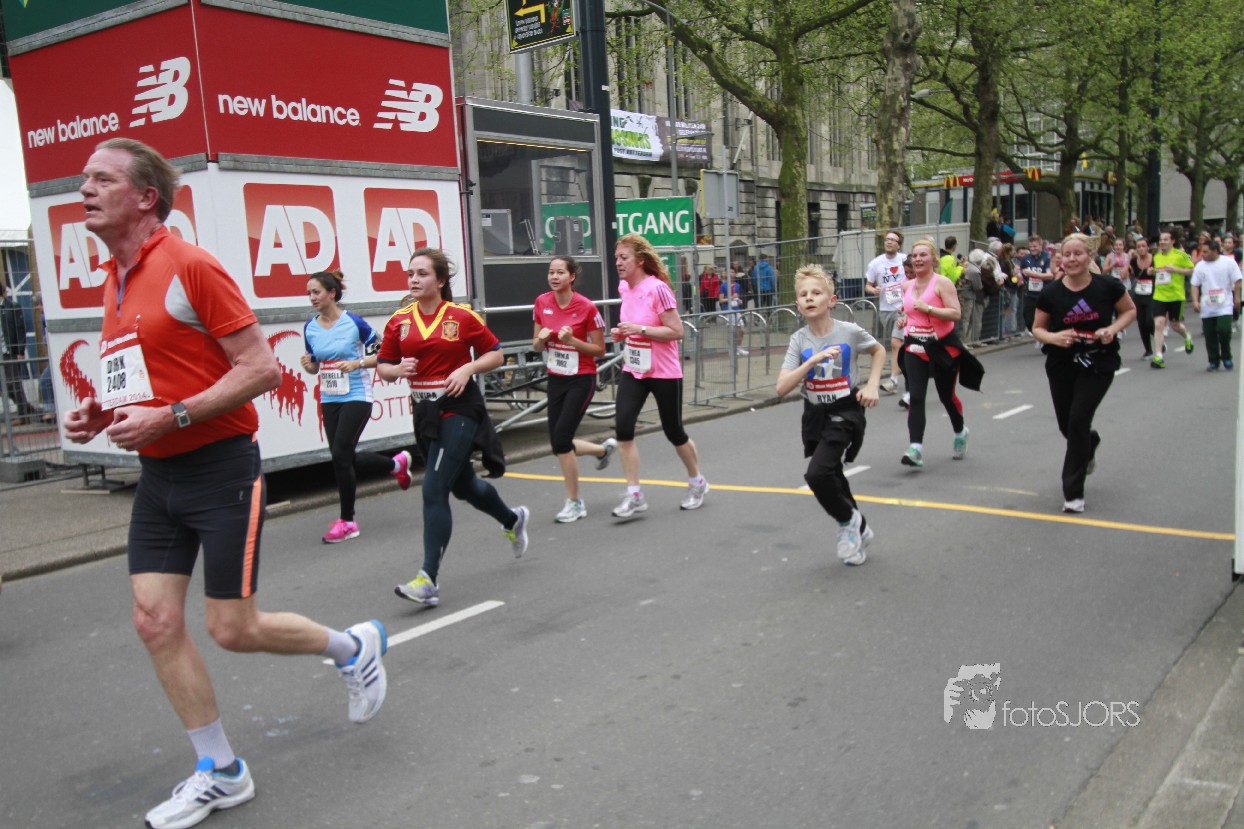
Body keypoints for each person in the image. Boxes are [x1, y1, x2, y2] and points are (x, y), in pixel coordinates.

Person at [63, 138, 387, 829]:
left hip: (220, 468)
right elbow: (145, 375)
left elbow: (261, 369)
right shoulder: (113, 278)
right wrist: (102, 411)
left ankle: (352, 647)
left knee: (232, 629)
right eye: (84, 178)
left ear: (145, 197)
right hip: (159, 476)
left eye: (101, 179)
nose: (83, 188)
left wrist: (172, 416)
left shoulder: (190, 264)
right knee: (153, 620)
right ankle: (221, 769)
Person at [379, 248, 530, 607]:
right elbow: (384, 365)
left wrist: (467, 369)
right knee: (463, 486)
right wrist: (396, 370)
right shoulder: (399, 320)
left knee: (434, 488)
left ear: (440, 280)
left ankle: (427, 579)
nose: (414, 279)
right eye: (410, 273)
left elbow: (496, 353)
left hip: (459, 407)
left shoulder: (461, 316)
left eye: (422, 274)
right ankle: (512, 519)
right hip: (425, 411)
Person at [775, 264, 884, 565]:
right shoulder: (799, 340)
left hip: (845, 410)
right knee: (832, 472)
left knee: (817, 473)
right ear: (797, 305)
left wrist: (873, 384)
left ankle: (847, 522)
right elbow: (781, 387)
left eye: (816, 293)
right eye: (803, 295)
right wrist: (811, 362)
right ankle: (859, 525)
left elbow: (878, 351)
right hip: (815, 413)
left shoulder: (848, 332)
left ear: (831, 300)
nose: (809, 298)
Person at [299, 270, 406, 543]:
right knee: (341, 456)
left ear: (332, 293)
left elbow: (386, 355)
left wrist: (357, 363)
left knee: (340, 453)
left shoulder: (353, 323)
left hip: (357, 395)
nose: (312, 298)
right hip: (329, 397)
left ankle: (348, 521)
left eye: (316, 292)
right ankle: (395, 464)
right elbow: (314, 366)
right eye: (309, 293)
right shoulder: (310, 328)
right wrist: (309, 365)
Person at [1032, 233, 1136, 513]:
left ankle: (1073, 493)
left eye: (1078, 254)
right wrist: (1054, 338)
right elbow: (1038, 328)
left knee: (1078, 420)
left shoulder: (1108, 286)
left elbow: (1129, 311)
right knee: (1067, 426)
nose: (1072, 259)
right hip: (1061, 363)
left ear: (1090, 256)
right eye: (1067, 254)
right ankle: (1089, 443)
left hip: (1097, 362)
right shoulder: (1051, 293)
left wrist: (1112, 330)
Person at [609, 233, 709, 517]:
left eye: (624, 257)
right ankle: (634, 494)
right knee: (623, 429)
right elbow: (632, 324)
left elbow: (676, 331)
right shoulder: (624, 288)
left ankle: (697, 481)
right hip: (635, 368)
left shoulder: (657, 289)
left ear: (640, 260)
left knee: (674, 431)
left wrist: (640, 330)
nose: (618, 263)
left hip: (664, 371)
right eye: (616, 258)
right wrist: (623, 333)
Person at [532, 255, 618, 522]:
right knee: (558, 444)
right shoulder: (541, 302)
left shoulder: (586, 307)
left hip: (581, 378)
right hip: (556, 377)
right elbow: (535, 344)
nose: (554, 277)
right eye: (551, 272)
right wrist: (541, 341)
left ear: (572, 277)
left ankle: (575, 502)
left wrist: (573, 341)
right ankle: (602, 451)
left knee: (561, 439)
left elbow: (600, 350)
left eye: (560, 272)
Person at [895, 238, 983, 468]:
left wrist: (930, 309)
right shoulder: (907, 286)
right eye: (915, 255)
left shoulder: (942, 283)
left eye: (923, 255)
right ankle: (915, 448)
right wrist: (904, 320)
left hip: (942, 348)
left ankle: (960, 431)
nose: (918, 259)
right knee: (916, 397)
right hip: (915, 347)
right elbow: (910, 313)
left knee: (946, 397)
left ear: (933, 259)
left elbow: (955, 313)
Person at [863, 230, 907, 394]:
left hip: (903, 307)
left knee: (895, 343)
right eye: (887, 239)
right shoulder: (876, 263)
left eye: (893, 240)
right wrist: (873, 290)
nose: (889, 242)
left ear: (898, 245)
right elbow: (868, 286)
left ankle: (893, 380)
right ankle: (915, 364)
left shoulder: (905, 260)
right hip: (885, 308)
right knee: (900, 345)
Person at [1189, 238, 1243, 371]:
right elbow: (1195, 285)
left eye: (1206, 252)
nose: (1203, 255)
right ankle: (1214, 360)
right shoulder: (1200, 266)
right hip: (1207, 305)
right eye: (1202, 252)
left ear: (1215, 251)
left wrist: (1237, 298)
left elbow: (1237, 280)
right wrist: (1195, 301)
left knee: (1224, 330)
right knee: (1210, 334)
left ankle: (1226, 356)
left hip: (1224, 304)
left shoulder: (1228, 263)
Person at [1150, 229, 1196, 368]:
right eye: (1161, 240)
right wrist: (1152, 272)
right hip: (1159, 295)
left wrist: (1176, 270)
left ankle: (1187, 337)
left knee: (1175, 326)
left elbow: (1192, 270)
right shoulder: (1157, 257)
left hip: (1176, 296)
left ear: (1172, 241)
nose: (1162, 242)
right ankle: (1158, 356)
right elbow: (1159, 273)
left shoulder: (1180, 255)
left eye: (1165, 239)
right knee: (1158, 324)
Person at [0, 280, 40, 420]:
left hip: (9, 351)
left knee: (13, 383)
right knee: (4, 385)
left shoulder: (12, 307)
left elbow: (20, 329)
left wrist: (20, 351)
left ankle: (24, 414)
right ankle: (26, 408)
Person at [1129, 237, 1157, 359]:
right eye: (1138, 247)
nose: (1141, 249)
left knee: (1149, 321)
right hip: (1139, 294)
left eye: (1143, 246)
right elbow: (1125, 273)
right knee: (1141, 323)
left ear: (1147, 247)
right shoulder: (1133, 261)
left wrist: (1154, 272)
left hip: (1152, 293)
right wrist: (1127, 263)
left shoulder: (1154, 259)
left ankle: (1158, 339)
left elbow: (1161, 273)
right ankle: (1148, 350)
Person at [1020, 235, 1053, 336]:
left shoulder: (1047, 257)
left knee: (1045, 318)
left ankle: (1045, 335)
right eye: (1030, 247)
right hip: (1030, 294)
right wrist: (1019, 274)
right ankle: (1037, 333)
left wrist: (1033, 274)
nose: (1032, 249)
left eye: (1035, 246)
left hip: (1044, 294)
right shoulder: (1026, 258)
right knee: (1028, 317)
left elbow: (1050, 276)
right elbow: (1022, 272)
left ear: (1040, 246)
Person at [723, 271, 749, 355]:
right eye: (730, 272)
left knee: (742, 330)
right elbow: (721, 299)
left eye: (733, 272)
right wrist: (730, 298)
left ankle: (739, 347)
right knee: (732, 330)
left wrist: (739, 301)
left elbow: (737, 297)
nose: (732, 274)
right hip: (728, 310)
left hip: (736, 309)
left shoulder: (737, 285)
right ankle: (732, 348)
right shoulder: (723, 286)